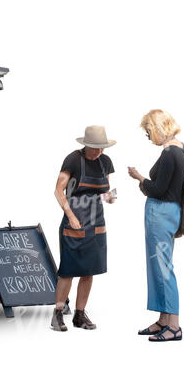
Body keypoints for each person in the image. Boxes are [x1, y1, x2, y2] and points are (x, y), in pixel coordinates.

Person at [128, 109, 184, 342]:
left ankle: (174, 325)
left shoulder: (170, 152)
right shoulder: (181, 148)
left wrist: (139, 178)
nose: (148, 136)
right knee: (159, 268)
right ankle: (163, 320)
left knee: (163, 269)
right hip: (169, 213)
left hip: (161, 214)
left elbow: (158, 189)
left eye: (148, 132)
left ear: (156, 128)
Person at [52, 125, 117, 331]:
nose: (99, 152)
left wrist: (111, 197)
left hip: (96, 223)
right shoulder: (73, 159)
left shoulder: (105, 161)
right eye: (95, 148)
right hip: (74, 221)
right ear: (86, 145)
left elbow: (106, 191)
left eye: (102, 148)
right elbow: (58, 190)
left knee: (89, 271)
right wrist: (70, 216)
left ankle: (80, 315)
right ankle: (57, 314)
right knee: (68, 271)